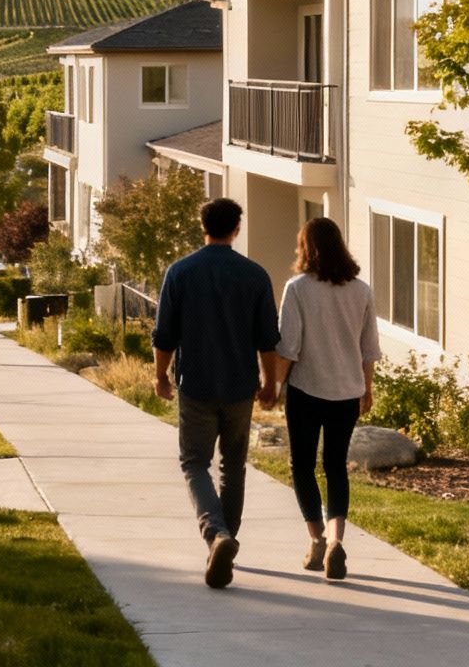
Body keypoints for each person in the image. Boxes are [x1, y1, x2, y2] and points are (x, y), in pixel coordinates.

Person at [153, 197, 281, 589]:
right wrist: (270, 382)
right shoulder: (255, 275)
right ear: (237, 228)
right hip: (240, 386)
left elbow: (165, 333)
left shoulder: (181, 272)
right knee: (233, 466)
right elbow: (267, 339)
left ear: (202, 225)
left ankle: (216, 535)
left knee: (194, 462)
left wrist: (160, 374)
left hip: (197, 385)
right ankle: (227, 538)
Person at [271, 216, 381, 581]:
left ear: (306, 248)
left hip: (306, 390)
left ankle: (317, 540)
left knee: (302, 465)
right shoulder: (361, 290)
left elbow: (289, 347)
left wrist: (273, 386)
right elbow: (370, 349)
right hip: (348, 391)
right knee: (335, 466)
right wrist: (367, 388)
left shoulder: (298, 288)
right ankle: (337, 541)